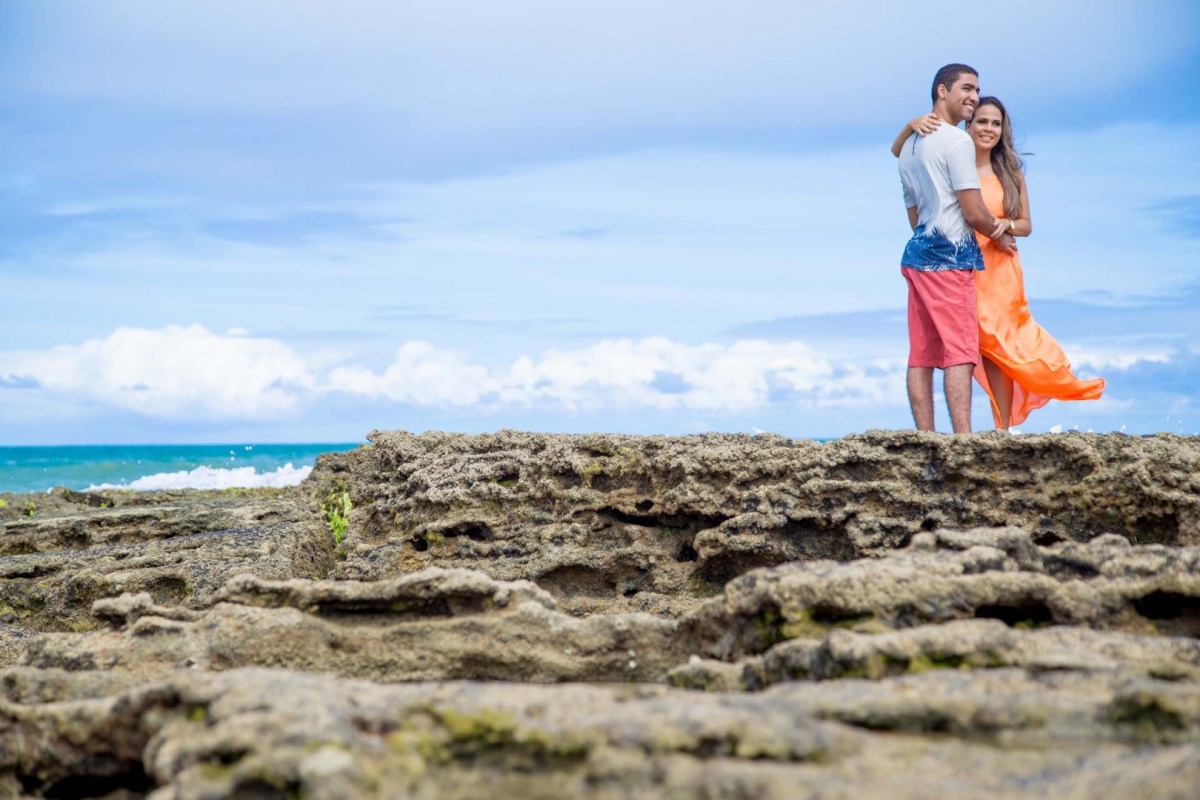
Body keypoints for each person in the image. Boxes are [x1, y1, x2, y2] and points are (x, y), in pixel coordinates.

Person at [891, 97, 1105, 429]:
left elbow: (1026, 225)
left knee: (998, 348)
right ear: (968, 124)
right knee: (966, 347)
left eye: (995, 123)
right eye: (981, 121)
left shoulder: (1010, 172)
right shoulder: (952, 162)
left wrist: (1004, 226)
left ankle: (1001, 429)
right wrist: (909, 125)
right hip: (959, 263)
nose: (988, 129)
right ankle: (962, 431)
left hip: (1000, 269)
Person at [895, 63, 1016, 434]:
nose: (974, 97)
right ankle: (963, 440)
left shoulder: (910, 147)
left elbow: (915, 216)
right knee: (960, 352)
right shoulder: (957, 141)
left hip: (917, 256)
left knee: (921, 354)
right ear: (942, 92)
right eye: (966, 88)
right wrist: (999, 232)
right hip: (950, 259)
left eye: (977, 90)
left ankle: (927, 438)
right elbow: (973, 209)